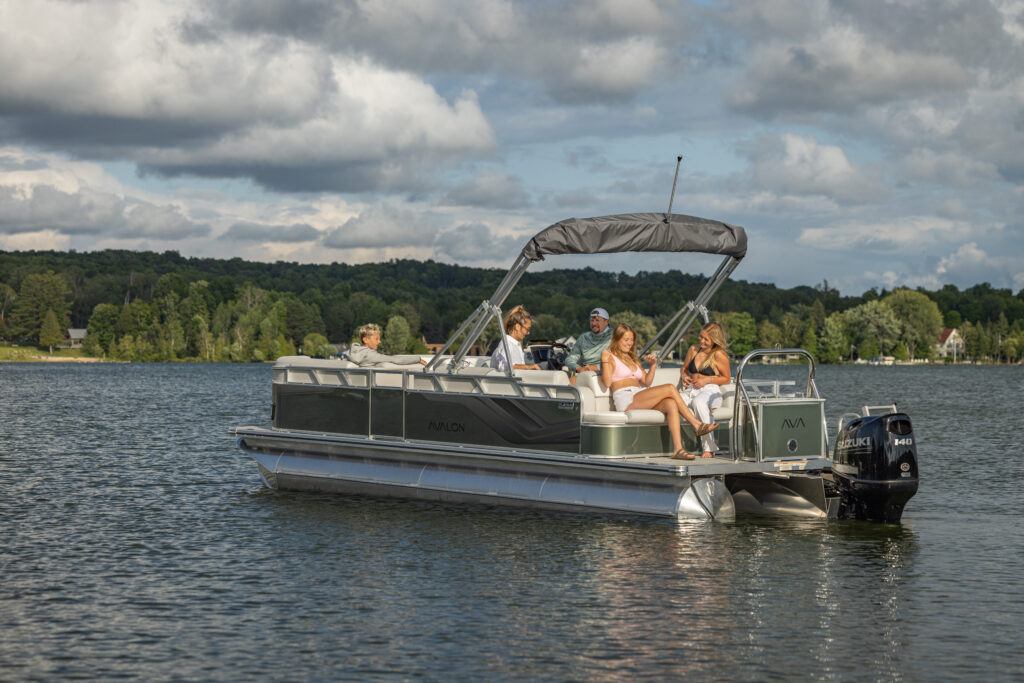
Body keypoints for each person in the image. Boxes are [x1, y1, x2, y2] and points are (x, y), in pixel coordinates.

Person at [600, 323, 716, 460]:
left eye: (631, 340)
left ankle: (678, 449)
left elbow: (646, 382)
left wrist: (653, 365)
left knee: (671, 403)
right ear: (616, 339)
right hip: (626, 398)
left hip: (638, 393)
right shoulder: (609, 356)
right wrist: (604, 359)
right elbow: (607, 382)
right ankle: (696, 425)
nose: (630, 343)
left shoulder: (632, 358)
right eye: (626, 340)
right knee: (670, 388)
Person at [680, 322, 731, 458]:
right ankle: (679, 447)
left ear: (714, 340)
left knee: (698, 402)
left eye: (705, 339)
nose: (701, 341)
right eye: (701, 337)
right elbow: (684, 368)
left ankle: (709, 448)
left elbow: (727, 379)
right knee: (673, 400)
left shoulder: (719, 354)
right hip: (691, 389)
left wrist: (707, 380)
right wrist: (684, 376)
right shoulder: (693, 349)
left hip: (710, 390)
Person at [347, 323, 428, 366]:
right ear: (365, 340)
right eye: (376, 339)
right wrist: (418, 359)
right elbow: (394, 359)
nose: (379, 342)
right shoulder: (370, 355)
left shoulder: (353, 352)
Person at [490, 305, 542, 373]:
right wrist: (530, 367)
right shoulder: (506, 344)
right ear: (517, 327)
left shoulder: (516, 344)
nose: (528, 333)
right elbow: (503, 366)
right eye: (527, 329)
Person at [564, 307, 612, 380]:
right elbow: (570, 359)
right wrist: (579, 368)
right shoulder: (584, 338)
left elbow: (620, 360)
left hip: (608, 373)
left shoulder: (615, 336)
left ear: (607, 322)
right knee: (572, 380)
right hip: (587, 374)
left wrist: (597, 367)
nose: (594, 323)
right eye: (591, 320)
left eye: (597, 320)